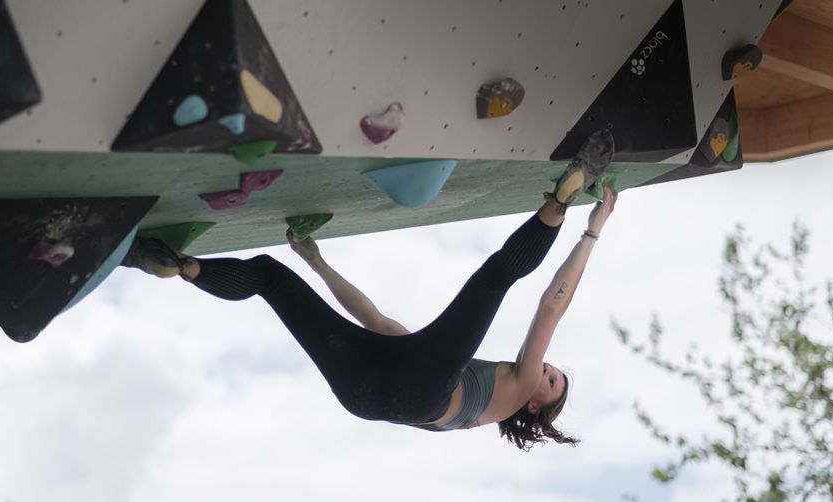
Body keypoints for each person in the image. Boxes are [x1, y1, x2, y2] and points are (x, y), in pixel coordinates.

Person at [122, 130, 617, 451]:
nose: (546, 372)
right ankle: (183, 268)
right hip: (366, 397)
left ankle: (560, 201)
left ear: (535, 406)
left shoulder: (515, 389)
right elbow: (376, 324)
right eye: (551, 375)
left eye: (551, 383)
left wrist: (593, 232)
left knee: (496, 277)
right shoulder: (465, 409)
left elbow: (550, 309)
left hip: (419, 386)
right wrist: (318, 264)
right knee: (271, 277)